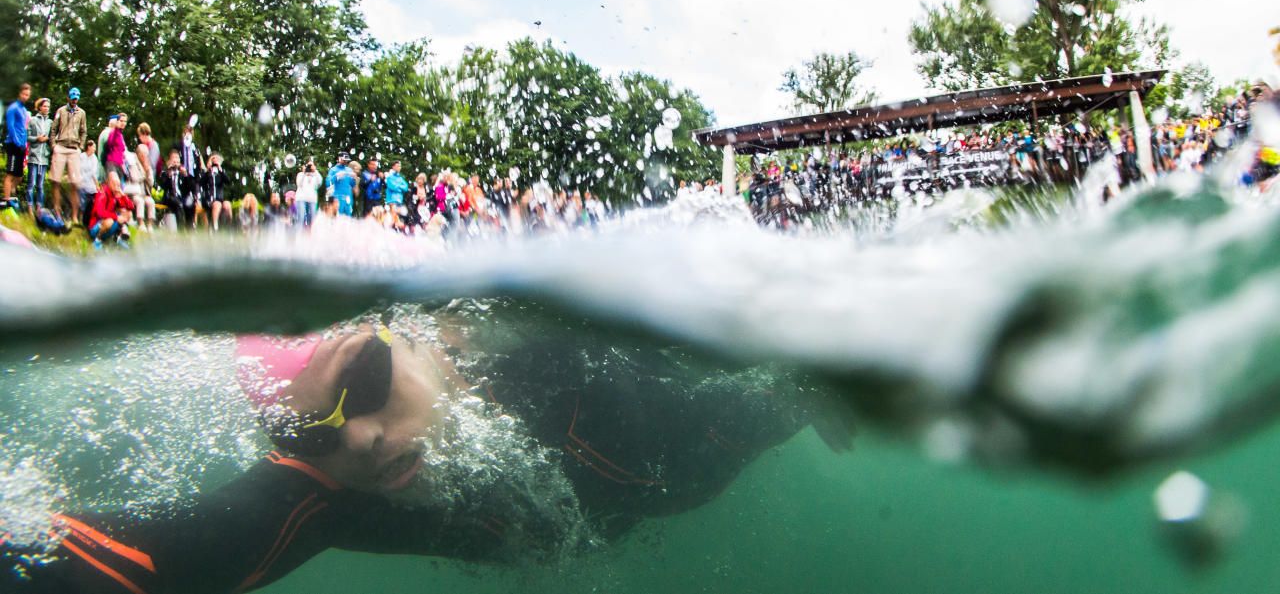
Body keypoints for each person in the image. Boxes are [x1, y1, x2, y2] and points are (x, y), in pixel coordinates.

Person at [1, 307, 847, 594]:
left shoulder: (538, 352)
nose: (360, 438)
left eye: (364, 379)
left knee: (777, 402)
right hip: (609, 503)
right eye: (310, 431)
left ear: (420, 337)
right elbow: (141, 562)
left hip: (676, 459)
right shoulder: (332, 486)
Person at [48, 87, 88, 222]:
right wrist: (53, 145)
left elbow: (84, 131)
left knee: (75, 183)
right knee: (55, 180)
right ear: (68, 98)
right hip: (60, 146)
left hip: (74, 149)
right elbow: (53, 129)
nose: (74, 100)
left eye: (76, 97)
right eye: (72, 97)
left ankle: (75, 216)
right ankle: (57, 211)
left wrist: (80, 147)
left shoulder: (82, 113)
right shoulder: (60, 111)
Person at [87, 171, 135, 250]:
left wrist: (123, 195)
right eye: (113, 183)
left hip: (109, 224)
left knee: (128, 213)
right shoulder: (102, 193)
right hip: (95, 227)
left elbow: (131, 207)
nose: (116, 186)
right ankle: (97, 240)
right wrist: (116, 217)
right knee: (110, 221)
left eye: (118, 184)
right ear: (108, 182)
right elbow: (100, 213)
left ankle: (118, 238)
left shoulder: (116, 194)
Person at [3, 83, 31, 206]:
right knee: (10, 174)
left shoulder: (24, 110)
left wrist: (24, 144)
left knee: (19, 176)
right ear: (20, 93)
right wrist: (17, 142)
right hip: (13, 144)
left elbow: (24, 128)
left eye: (28, 95)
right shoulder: (13, 108)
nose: (26, 97)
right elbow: (10, 126)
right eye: (24, 94)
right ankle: (7, 198)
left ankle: (12, 192)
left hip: (21, 146)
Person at [156, 149, 197, 229]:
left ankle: (189, 228)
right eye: (173, 158)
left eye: (177, 158)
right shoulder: (165, 173)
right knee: (179, 204)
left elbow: (191, 188)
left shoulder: (183, 173)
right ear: (169, 160)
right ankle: (180, 229)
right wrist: (169, 174)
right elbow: (163, 186)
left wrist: (185, 175)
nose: (175, 160)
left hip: (182, 197)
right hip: (170, 197)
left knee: (190, 203)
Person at [26, 98, 52, 214]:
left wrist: (48, 139)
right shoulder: (32, 120)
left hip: (44, 158)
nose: (46, 108)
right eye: (44, 106)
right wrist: (37, 138)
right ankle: (29, 207)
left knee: (41, 186)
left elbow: (53, 137)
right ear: (40, 107)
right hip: (34, 156)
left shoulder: (51, 123)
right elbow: (27, 137)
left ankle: (39, 208)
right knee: (32, 184)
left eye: (48, 106)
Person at [125, 142, 156, 232]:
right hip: (134, 193)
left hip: (144, 193)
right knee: (139, 201)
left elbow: (151, 183)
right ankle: (141, 223)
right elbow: (134, 178)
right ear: (138, 154)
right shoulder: (133, 163)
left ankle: (150, 225)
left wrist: (148, 172)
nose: (144, 156)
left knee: (151, 202)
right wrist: (145, 174)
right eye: (143, 154)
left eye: (146, 154)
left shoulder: (147, 165)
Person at [203, 153, 231, 231]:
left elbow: (228, 182)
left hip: (219, 199)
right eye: (213, 160)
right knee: (217, 204)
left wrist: (221, 170)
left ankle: (230, 228)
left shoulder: (221, 173)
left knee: (227, 204)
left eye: (217, 160)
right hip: (209, 200)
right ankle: (215, 228)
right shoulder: (207, 174)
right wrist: (207, 171)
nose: (214, 162)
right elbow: (201, 183)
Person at [76, 140, 100, 227]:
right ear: (89, 147)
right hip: (81, 182)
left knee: (90, 202)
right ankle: (79, 218)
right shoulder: (82, 156)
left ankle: (88, 220)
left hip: (90, 184)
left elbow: (94, 174)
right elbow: (77, 168)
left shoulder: (94, 158)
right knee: (81, 202)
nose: (95, 149)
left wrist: (97, 185)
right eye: (93, 147)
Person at [294, 160, 322, 227]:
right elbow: (299, 184)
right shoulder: (300, 174)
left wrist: (315, 171)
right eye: (308, 166)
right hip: (301, 198)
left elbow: (319, 183)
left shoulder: (315, 175)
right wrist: (304, 173)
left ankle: (311, 235)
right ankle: (299, 235)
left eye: (311, 166)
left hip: (312, 199)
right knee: (301, 218)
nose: (309, 167)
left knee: (313, 219)